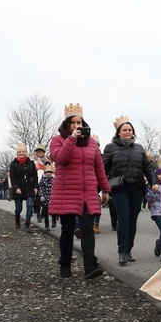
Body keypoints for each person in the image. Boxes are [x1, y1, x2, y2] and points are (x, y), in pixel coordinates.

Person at [49, 102, 110, 279]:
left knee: (87, 228)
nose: (77, 126)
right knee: (67, 229)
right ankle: (65, 264)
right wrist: (72, 139)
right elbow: (60, 158)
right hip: (66, 191)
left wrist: (105, 189)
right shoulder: (58, 140)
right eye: (73, 123)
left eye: (79, 123)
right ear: (67, 125)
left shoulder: (91, 143)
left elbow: (99, 168)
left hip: (87, 192)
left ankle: (89, 266)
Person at [103, 116, 157, 265]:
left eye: (130, 130)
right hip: (119, 187)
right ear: (118, 132)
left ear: (133, 132)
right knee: (124, 217)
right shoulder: (110, 147)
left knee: (132, 219)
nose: (127, 132)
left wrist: (153, 181)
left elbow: (148, 168)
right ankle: (121, 251)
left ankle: (129, 250)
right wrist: (102, 188)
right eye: (124, 130)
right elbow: (102, 168)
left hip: (137, 187)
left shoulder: (139, 148)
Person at [9, 144, 39, 232]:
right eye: (20, 152)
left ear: (26, 153)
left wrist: (35, 187)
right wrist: (16, 188)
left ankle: (27, 224)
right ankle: (17, 219)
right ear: (17, 153)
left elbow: (35, 176)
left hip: (29, 188)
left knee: (30, 206)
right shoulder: (13, 164)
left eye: (23, 152)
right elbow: (12, 177)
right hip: (18, 189)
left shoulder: (31, 163)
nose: (21, 153)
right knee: (18, 209)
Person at [38, 164, 54, 230]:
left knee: (53, 212)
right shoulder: (42, 180)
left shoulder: (54, 180)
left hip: (52, 198)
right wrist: (42, 196)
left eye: (50, 172)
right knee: (45, 212)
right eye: (47, 172)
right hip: (44, 199)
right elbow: (40, 189)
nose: (48, 174)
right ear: (45, 173)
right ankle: (46, 225)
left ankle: (54, 221)